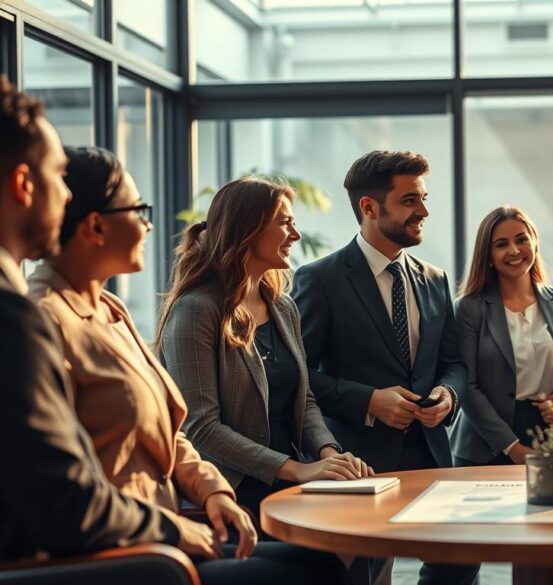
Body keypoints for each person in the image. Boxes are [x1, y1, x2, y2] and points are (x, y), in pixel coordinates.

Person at [29, 147, 352, 584]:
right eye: (138, 210)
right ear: (95, 225)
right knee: (312, 571)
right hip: (137, 549)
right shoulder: (42, 321)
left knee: (325, 562)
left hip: (172, 527)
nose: (148, 224)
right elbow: (198, 429)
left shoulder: (112, 310)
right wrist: (183, 526)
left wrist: (213, 491)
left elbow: (173, 430)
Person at [0, 76, 180, 563]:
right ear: (23, 184)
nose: (66, 197)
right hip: (111, 559)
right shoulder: (20, 318)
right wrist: (176, 533)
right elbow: (66, 504)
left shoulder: (105, 310)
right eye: (57, 175)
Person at [293, 150, 476, 585]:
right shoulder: (320, 279)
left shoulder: (435, 278)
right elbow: (297, 377)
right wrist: (369, 401)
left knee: (460, 561)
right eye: (410, 200)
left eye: (424, 198)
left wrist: (448, 397)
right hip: (359, 459)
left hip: (431, 453)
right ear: (369, 207)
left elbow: (453, 364)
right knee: (367, 575)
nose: (424, 211)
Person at [157, 176, 368, 523]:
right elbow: (201, 427)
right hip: (233, 491)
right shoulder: (195, 310)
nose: (296, 235)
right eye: (284, 223)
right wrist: (297, 470)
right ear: (248, 229)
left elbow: (305, 400)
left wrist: (329, 455)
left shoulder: (283, 307)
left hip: (290, 480)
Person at [451, 206, 553, 466]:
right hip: (485, 444)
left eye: (522, 239)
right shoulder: (468, 308)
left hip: (549, 436)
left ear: (535, 242)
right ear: (487, 254)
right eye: (501, 244)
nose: (514, 250)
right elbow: (466, 386)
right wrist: (512, 447)